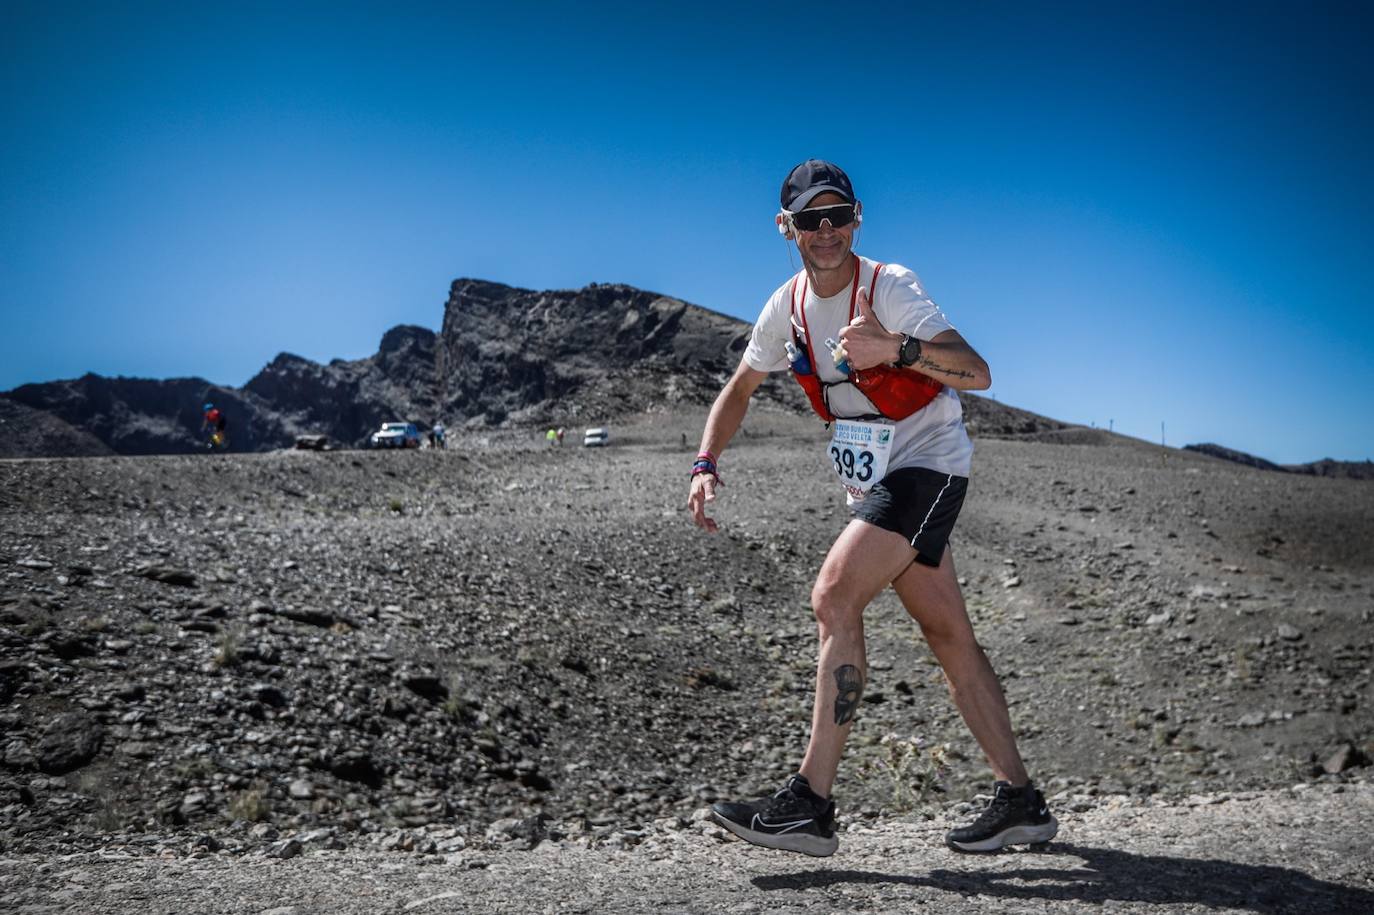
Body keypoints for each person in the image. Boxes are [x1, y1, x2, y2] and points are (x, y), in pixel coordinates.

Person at [687, 160, 1056, 857]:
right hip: (877, 485)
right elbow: (738, 388)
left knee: (833, 595)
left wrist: (898, 348)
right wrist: (706, 463)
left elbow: (977, 372)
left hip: (928, 465)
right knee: (949, 636)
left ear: (858, 218)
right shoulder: (786, 306)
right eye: (809, 219)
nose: (825, 232)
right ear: (785, 227)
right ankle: (1021, 801)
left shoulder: (890, 286)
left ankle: (811, 803)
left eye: (838, 216)